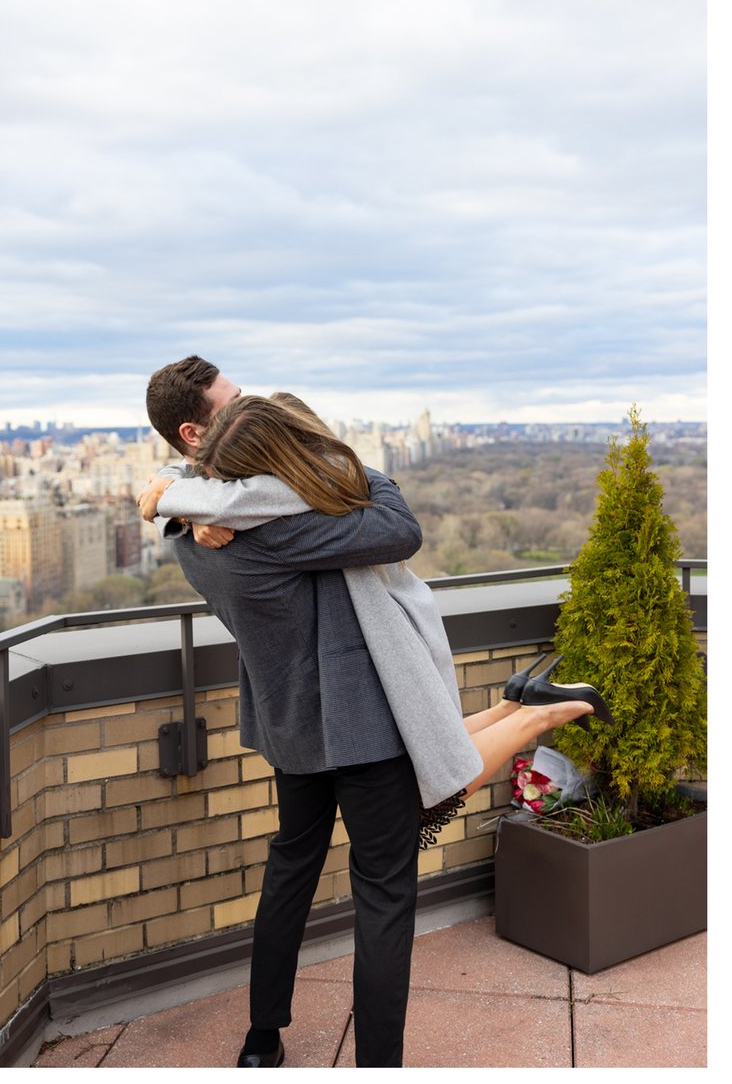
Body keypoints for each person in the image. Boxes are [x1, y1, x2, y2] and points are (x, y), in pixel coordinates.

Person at [139, 361, 601, 1069]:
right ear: (199, 431)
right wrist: (339, 456)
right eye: (234, 403)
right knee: (384, 896)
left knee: (289, 869)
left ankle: (263, 1039)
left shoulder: (193, 531)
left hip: (289, 726)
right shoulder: (295, 525)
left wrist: (178, 494)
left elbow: (215, 500)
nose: (246, 406)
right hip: (364, 724)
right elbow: (397, 525)